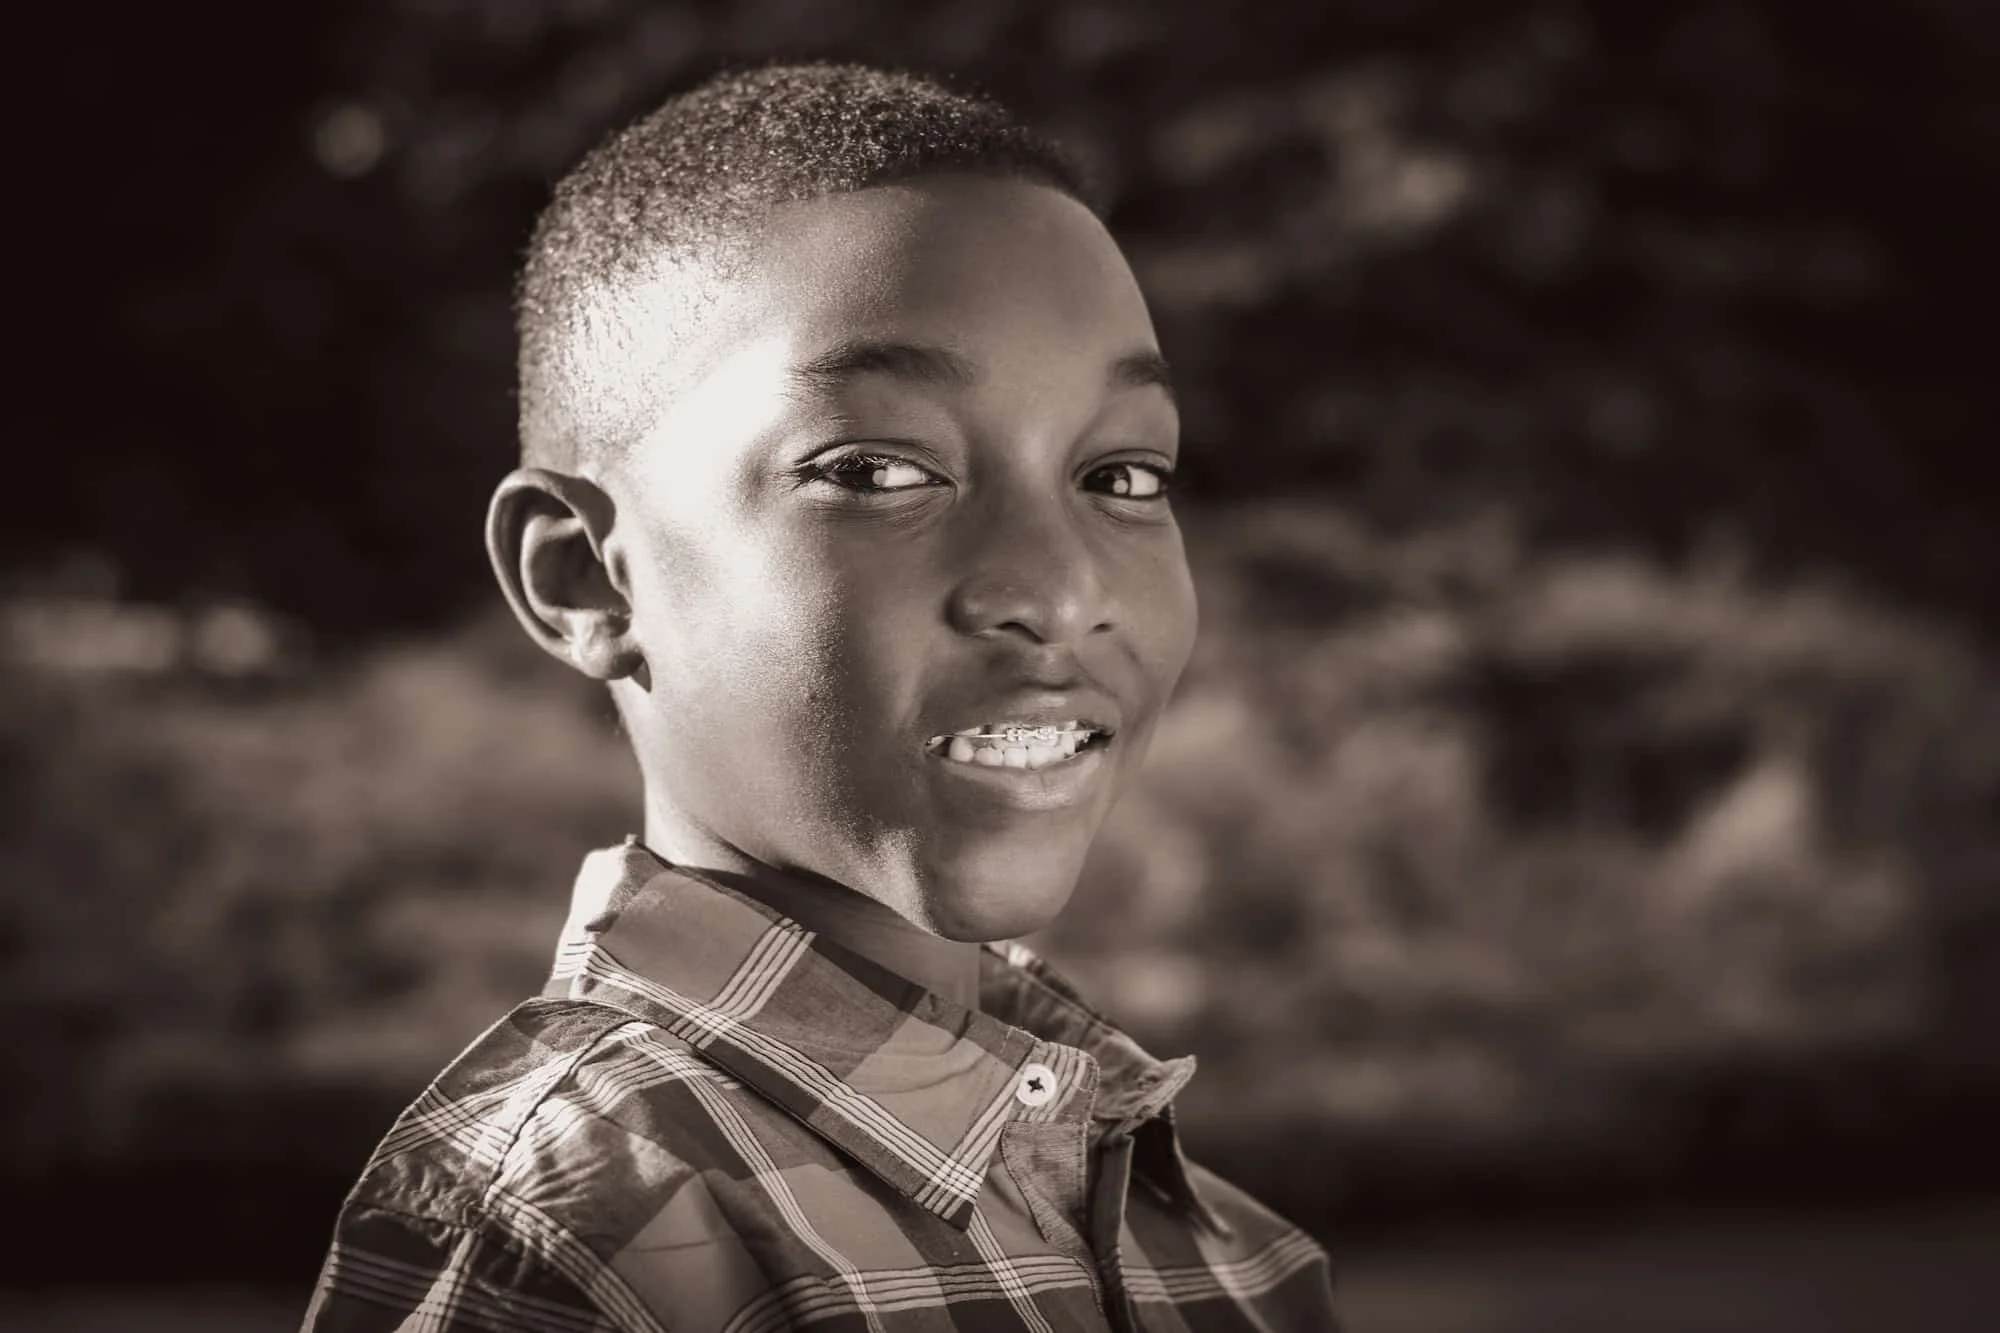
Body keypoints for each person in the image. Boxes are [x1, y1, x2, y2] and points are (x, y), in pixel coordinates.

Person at [301, 62, 1340, 1332]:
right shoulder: (576, 1240)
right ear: (585, 577)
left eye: (1121, 475)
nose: (1061, 592)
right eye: (876, 470)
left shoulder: (1236, 1261)